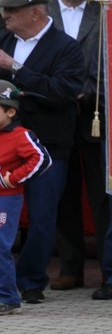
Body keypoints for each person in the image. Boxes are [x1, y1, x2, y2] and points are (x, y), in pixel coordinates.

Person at [0, 0, 85, 305]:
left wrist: (16, 69)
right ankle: (5, 279)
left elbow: (63, 92)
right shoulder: (5, 39)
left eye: (12, 9)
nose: (6, 14)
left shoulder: (66, 48)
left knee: (42, 216)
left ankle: (31, 280)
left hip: (47, 146)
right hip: (6, 147)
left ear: (35, 12)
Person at [46, 0, 104, 292]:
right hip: (56, 110)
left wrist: (89, 92)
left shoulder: (103, 12)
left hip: (96, 110)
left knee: (102, 193)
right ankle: (71, 266)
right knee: (62, 191)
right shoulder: (42, 13)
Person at [0, 82, 50, 315]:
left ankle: (8, 297)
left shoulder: (21, 136)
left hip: (6, 200)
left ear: (10, 111)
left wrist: (14, 179)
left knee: (0, 246)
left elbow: (42, 159)